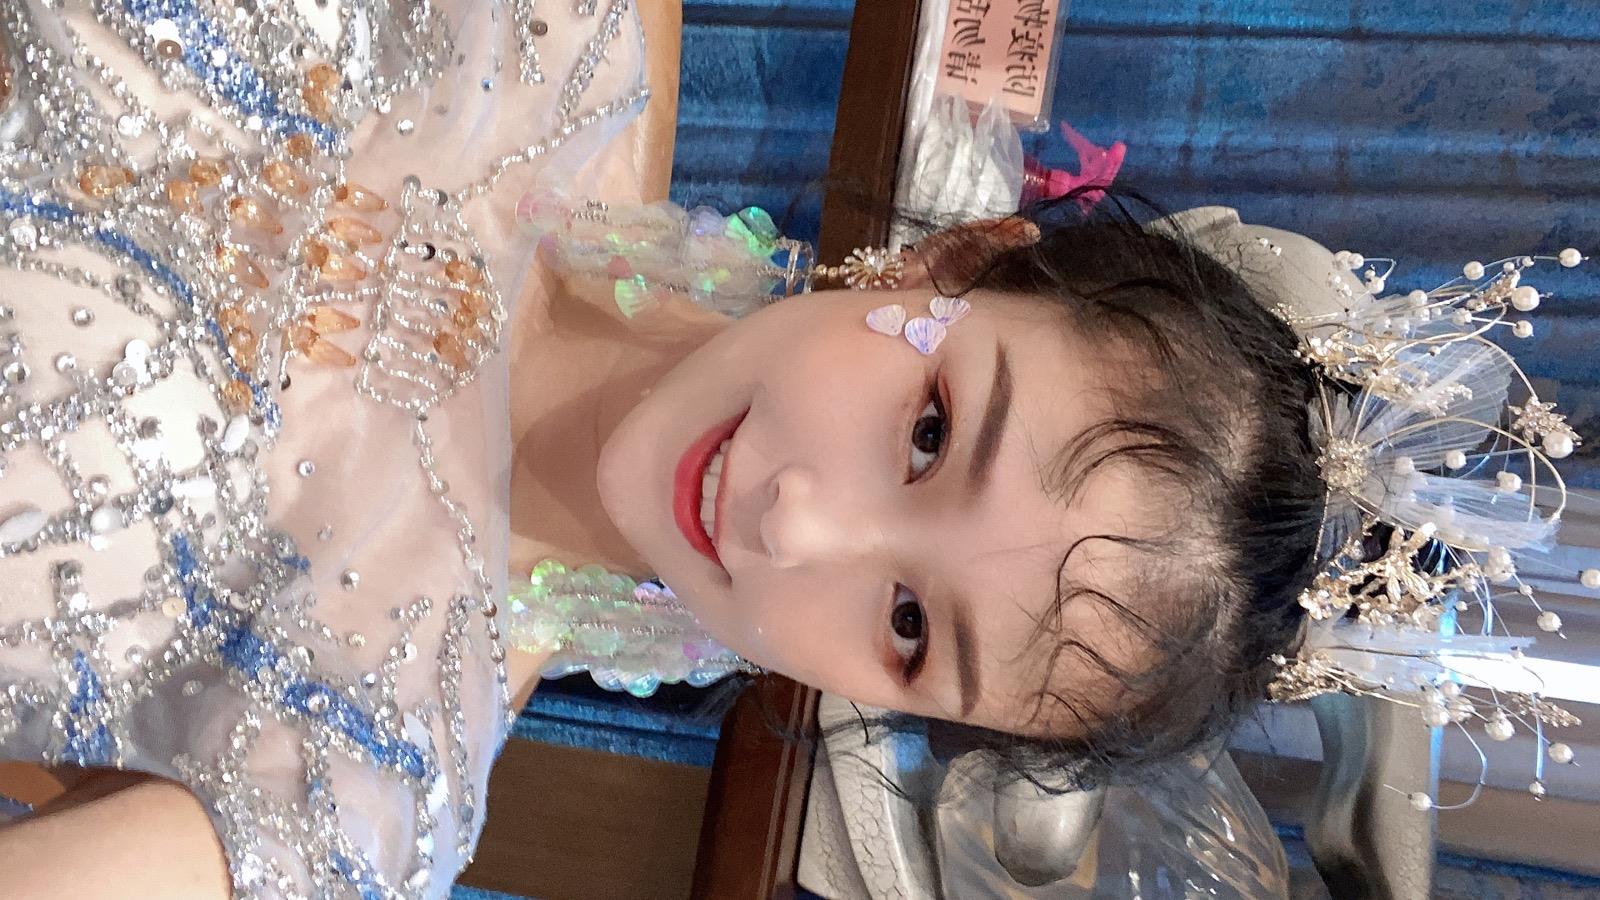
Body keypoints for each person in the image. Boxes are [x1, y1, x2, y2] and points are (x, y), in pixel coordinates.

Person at [0, 1, 1589, 898]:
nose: (795, 525)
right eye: (933, 430)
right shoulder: (551, 39)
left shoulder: (361, 776)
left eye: (907, 629)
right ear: (956, 259)